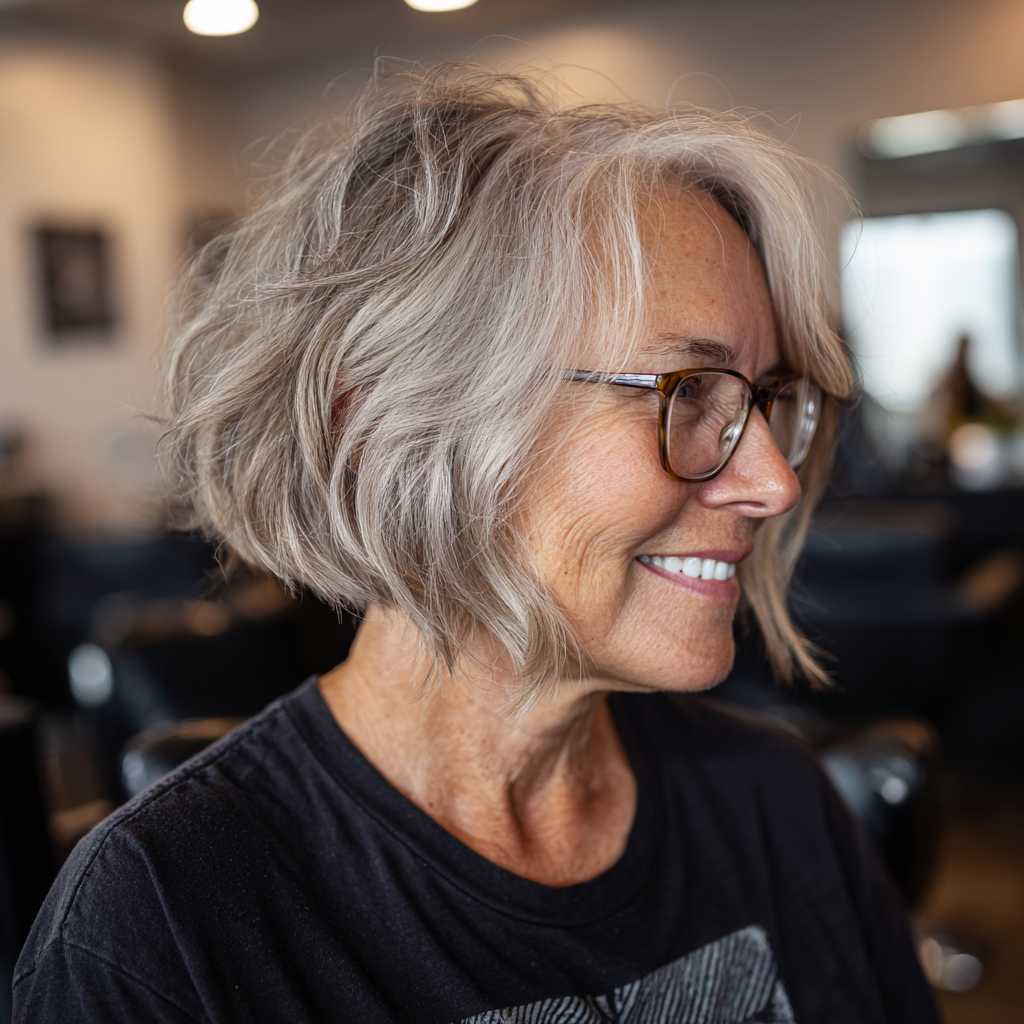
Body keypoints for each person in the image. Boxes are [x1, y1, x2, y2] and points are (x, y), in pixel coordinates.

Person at [14, 64, 939, 1023]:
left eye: (765, 399)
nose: (776, 484)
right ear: (388, 430)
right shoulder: (160, 921)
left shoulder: (775, 804)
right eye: (688, 394)